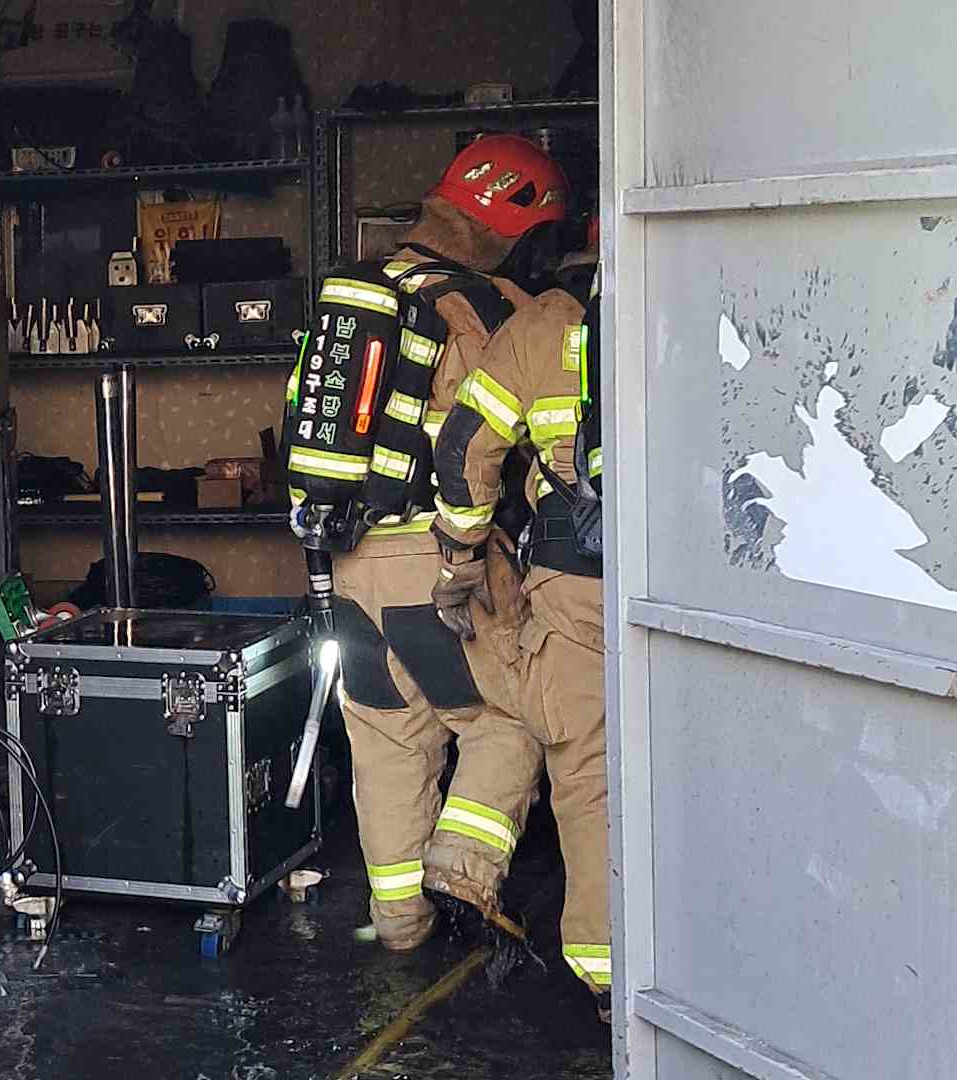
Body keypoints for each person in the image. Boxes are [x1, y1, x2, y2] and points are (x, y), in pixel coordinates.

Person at [290, 135, 572, 950]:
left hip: (348, 568)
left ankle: (398, 923)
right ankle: (463, 868)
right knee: (515, 716)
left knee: (386, 744)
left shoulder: (354, 301)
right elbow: (506, 445)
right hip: (446, 562)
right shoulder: (493, 308)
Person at [427, 229, 608, 1012]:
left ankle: (611, 981)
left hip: (577, 585)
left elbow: (464, 447)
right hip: (698, 584)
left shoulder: (542, 326)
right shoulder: (699, 299)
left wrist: (462, 558)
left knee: (592, 780)